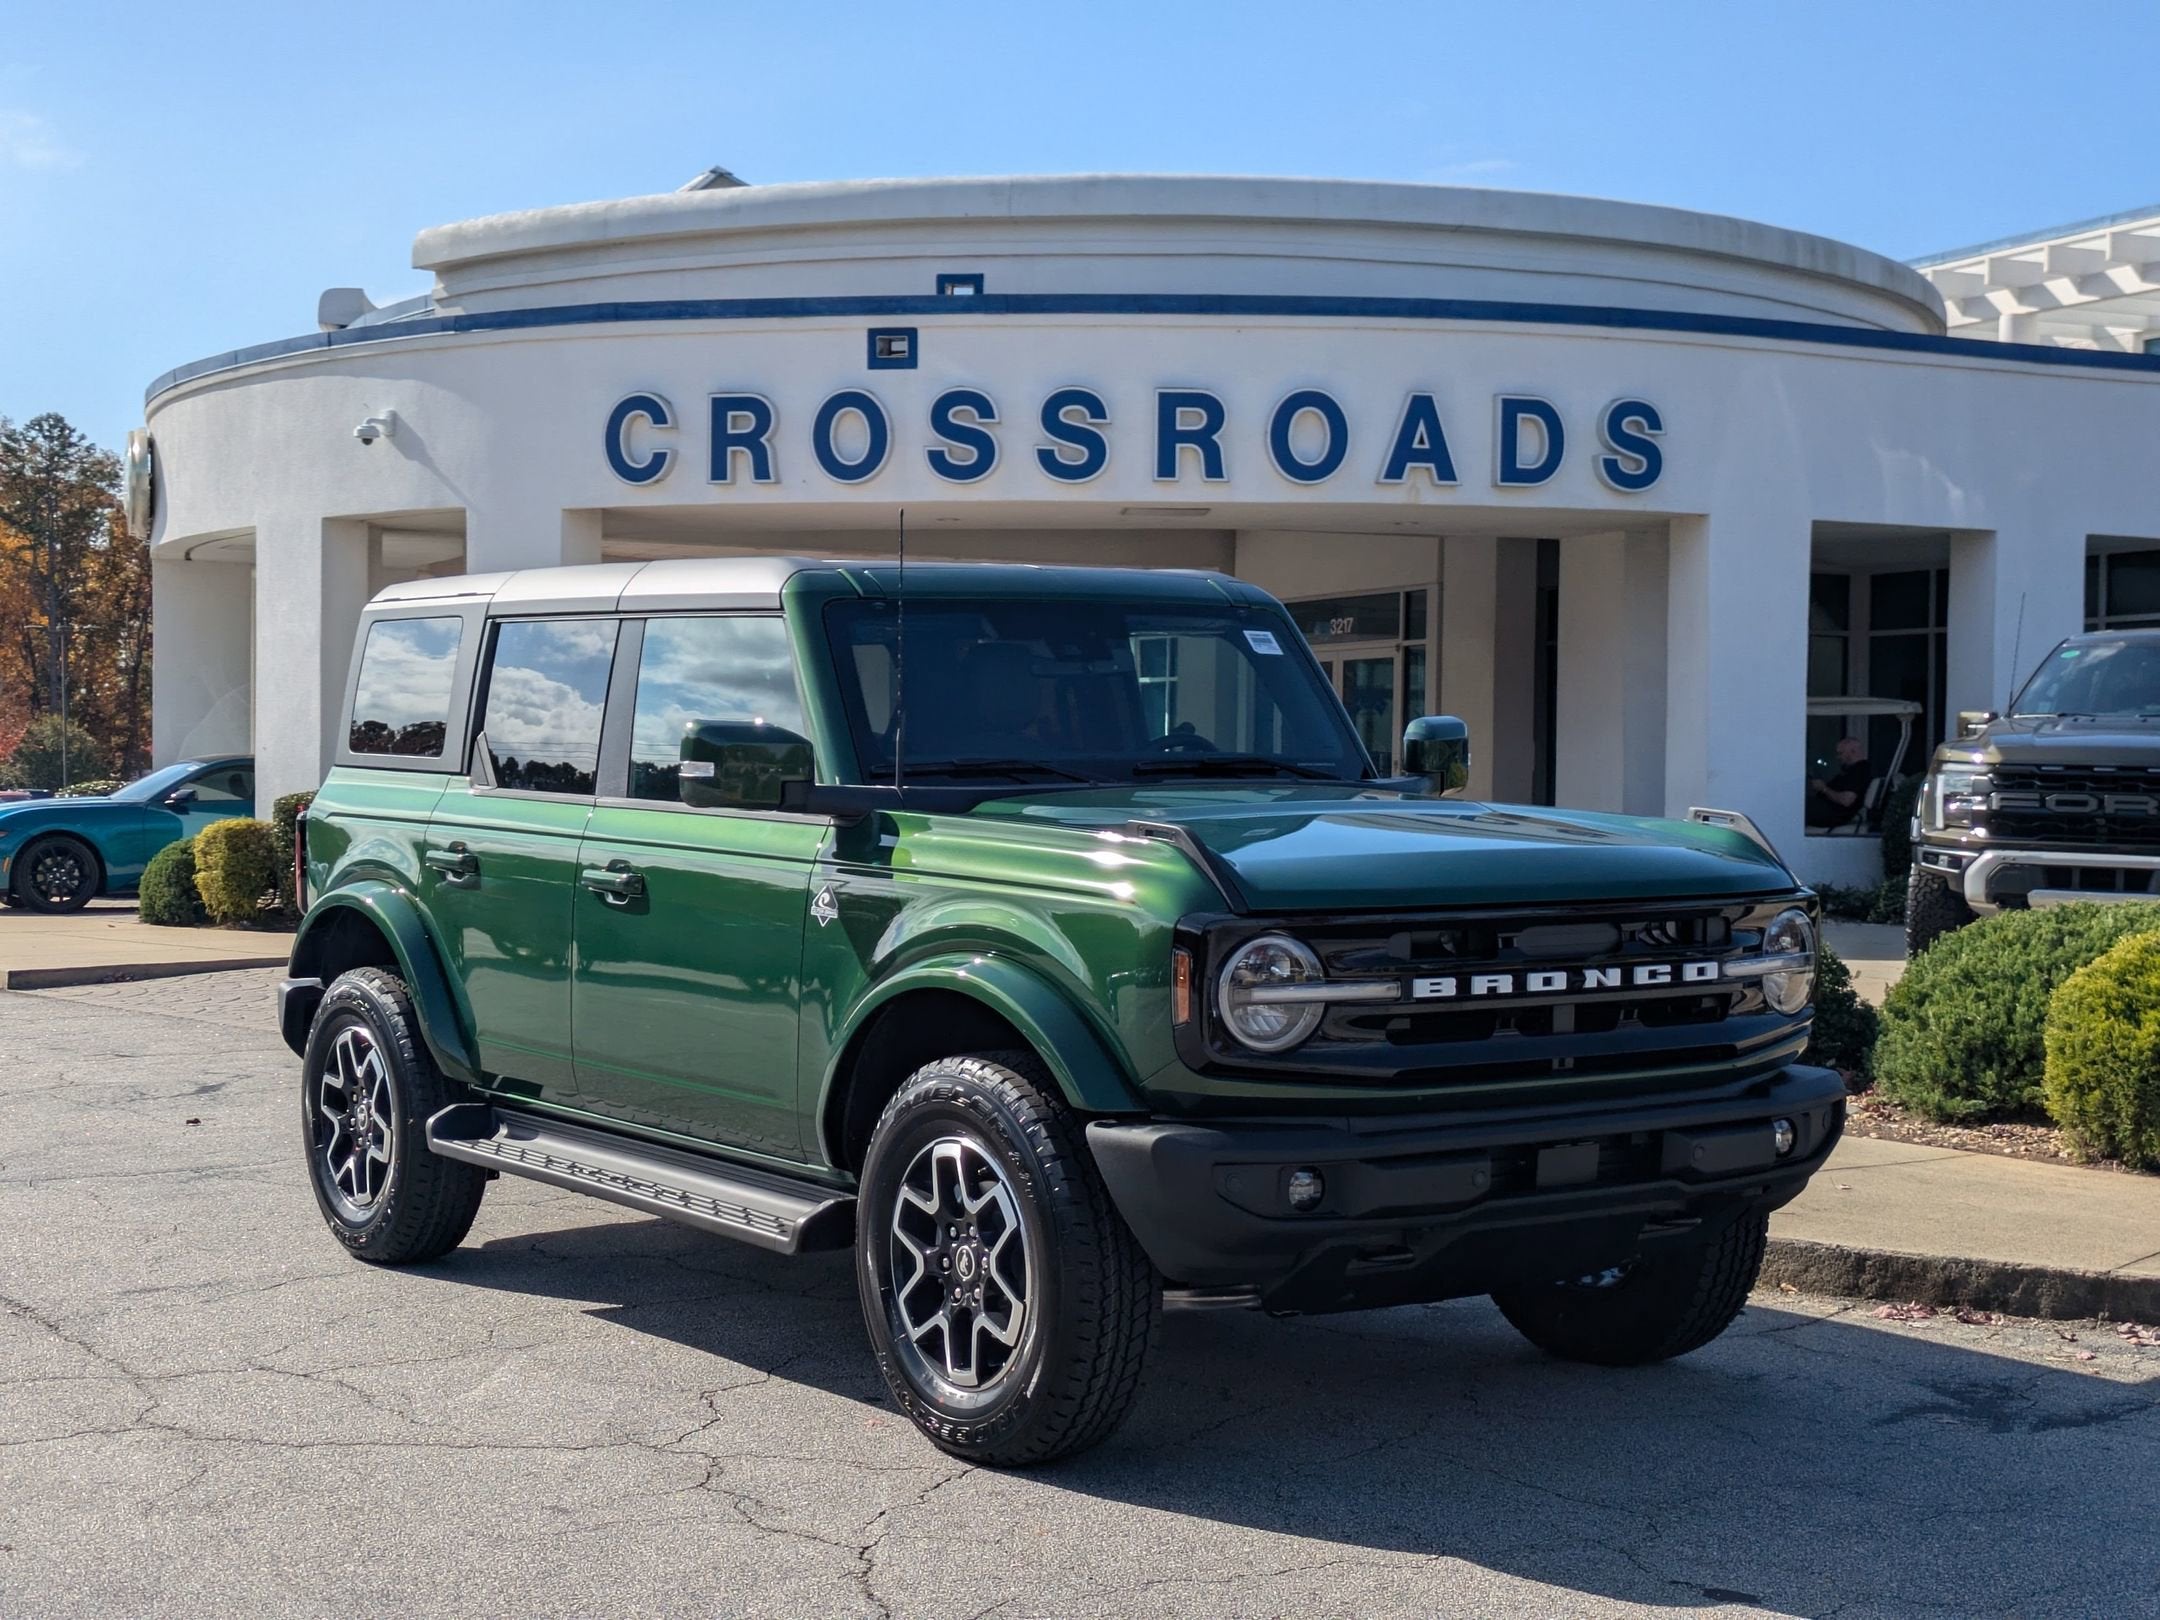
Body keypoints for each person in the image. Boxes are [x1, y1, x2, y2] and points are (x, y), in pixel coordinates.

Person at [1806, 736, 1872, 830]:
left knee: (1796, 805)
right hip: (1826, 809)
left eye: (1841, 753)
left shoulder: (1860, 771)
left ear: (1853, 751)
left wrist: (1824, 788)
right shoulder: (1849, 770)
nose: (1838, 757)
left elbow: (1846, 801)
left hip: (1833, 815)